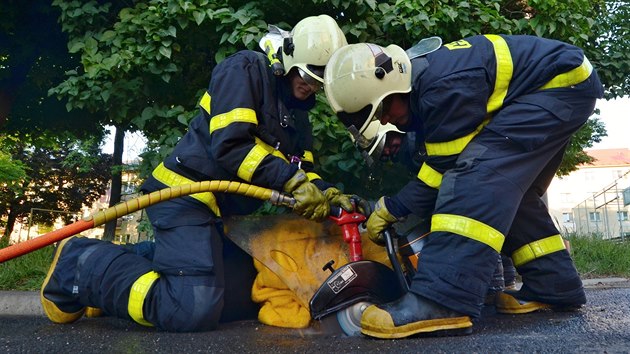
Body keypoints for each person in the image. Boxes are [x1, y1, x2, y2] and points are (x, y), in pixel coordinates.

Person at [40, 14, 349, 332]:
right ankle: (79, 264)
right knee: (192, 308)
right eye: (308, 75)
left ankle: (116, 271)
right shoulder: (244, 70)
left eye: (319, 82)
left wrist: (329, 193)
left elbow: (300, 171)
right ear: (289, 59)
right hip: (186, 195)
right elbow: (230, 147)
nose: (311, 86)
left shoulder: (299, 116)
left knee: (238, 298)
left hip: (222, 215)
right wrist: (290, 180)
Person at [323, 35, 604, 338]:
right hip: (562, 85)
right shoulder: (426, 85)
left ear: (393, 84)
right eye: (379, 117)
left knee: (474, 177)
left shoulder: (439, 88)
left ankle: (441, 301)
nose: (387, 119)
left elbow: (442, 171)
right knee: (507, 188)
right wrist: (393, 206)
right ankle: (553, 285)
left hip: (559, 86)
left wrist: (392, 208)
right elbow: (438, 157)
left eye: (383, 109)